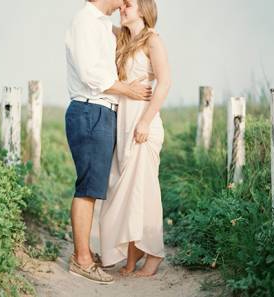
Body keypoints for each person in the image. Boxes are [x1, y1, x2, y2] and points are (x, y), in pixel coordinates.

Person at [64, 0, 153, 284]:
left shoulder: (102, 25)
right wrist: (129, 90)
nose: (124, 2)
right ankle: (82, 260)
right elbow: (92, 74)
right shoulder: (85, 22)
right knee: (88, 188)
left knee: (94, 186)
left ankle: (84, 253)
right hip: (91, 109)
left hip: (101, 112)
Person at [99, 0, 171, 277]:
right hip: (123, 123)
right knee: (126, 193)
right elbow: (100, 17)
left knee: (145, 192)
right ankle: (131, 257)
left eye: (127, 4)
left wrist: (144, 121)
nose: (122, 8)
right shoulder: (122, 37)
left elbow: (164, 82)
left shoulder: (153, 40)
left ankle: (153, 254)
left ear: (143, 9)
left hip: (144, 123)